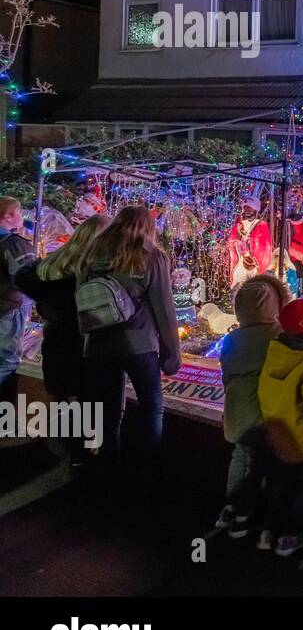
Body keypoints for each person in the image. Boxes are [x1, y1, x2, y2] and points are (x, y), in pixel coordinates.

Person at [81, 205, 181, 497]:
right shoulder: (152, 256)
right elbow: (164, 309)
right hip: (139, 345)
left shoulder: (92, 254)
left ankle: (108, 471)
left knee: (108, 411)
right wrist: (172, 355)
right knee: (151, 407)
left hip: (99, 345)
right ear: (148, 227)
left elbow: (83, 302)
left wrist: (85, 342)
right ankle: (147, 473)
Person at [14, 213, 110, 466]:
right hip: (83, 341)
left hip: (55, 338)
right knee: (85, 397)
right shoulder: (94, 268)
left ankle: (62, 446)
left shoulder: (54, 263)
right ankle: (79, 453)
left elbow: (24, 276)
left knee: (62, 394)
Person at [217, 274, 290, 544]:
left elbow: (227, 375)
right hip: (260, 416)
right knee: (257, 466)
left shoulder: (232, 339)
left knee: (239, 457)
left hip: (235, 413)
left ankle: (230, 507)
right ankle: (244, 516)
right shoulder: (276, 335)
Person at [259, 298, 303, 556]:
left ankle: (268, 532)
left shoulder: (276, 351)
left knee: (280, 485)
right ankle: (291, 536)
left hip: (280, 435)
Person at [0, 196, 37, 410]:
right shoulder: (14, 245)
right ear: (7, 216)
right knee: (6, 361)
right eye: (19, 211)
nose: (22, 216)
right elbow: (26, 278)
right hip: (7, 310)